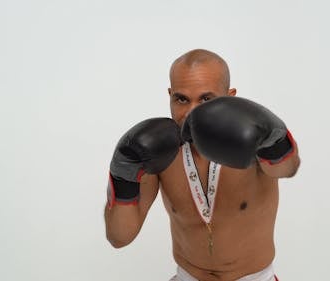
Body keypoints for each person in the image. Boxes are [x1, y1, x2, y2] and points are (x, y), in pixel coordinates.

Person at [104, 49, 300, 281]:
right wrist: (123, 172)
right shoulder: (158, 152)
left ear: (231, 98)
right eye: (181, 99)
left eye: (206, 99)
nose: (191, 112)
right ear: (170, 95)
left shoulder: (249, 142)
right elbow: (119, 237)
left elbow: (288, 168)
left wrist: (274, 139)